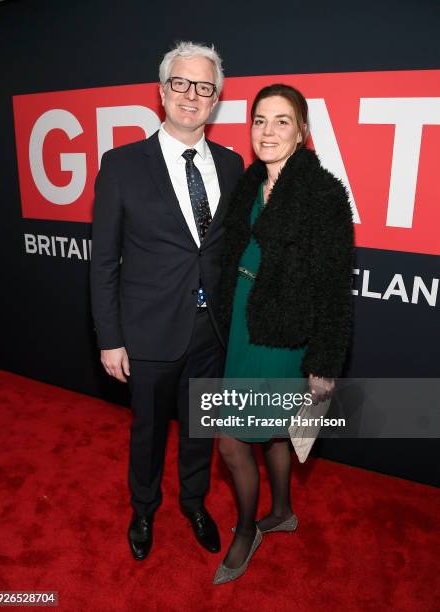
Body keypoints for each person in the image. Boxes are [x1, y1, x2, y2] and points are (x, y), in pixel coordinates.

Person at [90, 41, 244, 561]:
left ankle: (195, 502)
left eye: (204, 87)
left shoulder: (231, 163)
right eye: (181, 83)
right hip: (148, 331)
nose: (191, 95)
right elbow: (104, 260)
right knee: (149, 432)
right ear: (162, 92)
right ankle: (143, 508)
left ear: (215, 99)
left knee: (201, 428)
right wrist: (110, 338)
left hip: (211, 332)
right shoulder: (122, 165)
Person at [213, 84, 354, 584]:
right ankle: (284, 512)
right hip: (241, 326)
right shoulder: (249, 185)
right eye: (259, 120)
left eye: (281, 121)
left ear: (302, 132)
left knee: (231, 440)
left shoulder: (323, 194)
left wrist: (325, 365)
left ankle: (247, 529)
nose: (267, 131)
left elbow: (336, 288)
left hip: (282, 338)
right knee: (272, 432)